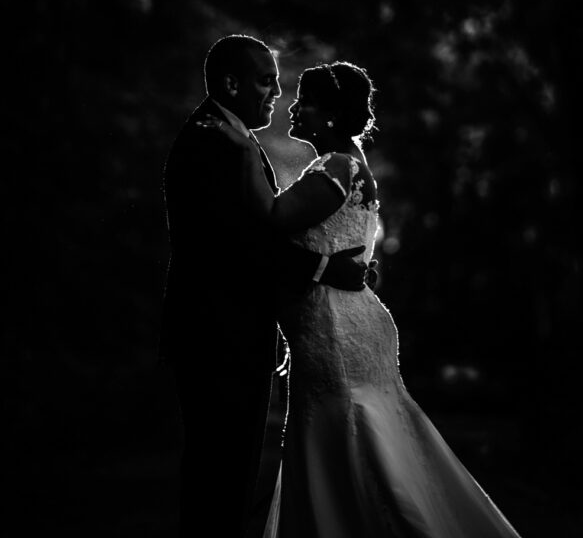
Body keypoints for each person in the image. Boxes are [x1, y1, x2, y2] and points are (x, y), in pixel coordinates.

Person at [204, 58, 524, 538]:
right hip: (343, 318)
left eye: (306, 102)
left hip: (335, 329)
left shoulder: (336, 167)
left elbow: (273, 216)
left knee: (350, 435)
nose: (294, 108)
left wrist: (244, 145)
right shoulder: (346, 163)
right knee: (351, 434)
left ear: (330, 112)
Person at [159, 36, 369, 538]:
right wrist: (324, 270)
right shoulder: (211, 140)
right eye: (266, 81)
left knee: (230, 471)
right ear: (231, 83)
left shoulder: (232, 136)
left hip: (234, 330)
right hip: (217, 334)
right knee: (219, 472)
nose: (277, 93)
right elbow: (242, 241)